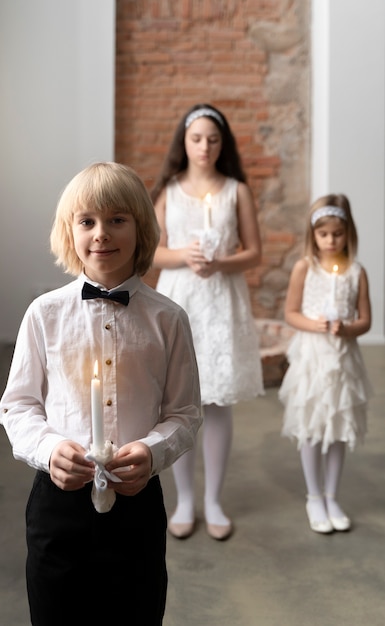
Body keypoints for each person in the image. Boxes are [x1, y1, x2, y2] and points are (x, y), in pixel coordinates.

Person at [0, 162, 202, 625]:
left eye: (117, 219)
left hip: (138, 505)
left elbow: (186, 412)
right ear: (69, 232)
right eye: (86, 221)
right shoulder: (44, 314)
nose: (101, 234)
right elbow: (18, 404)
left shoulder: (168, 319)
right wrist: (50, 449)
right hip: (58, 504)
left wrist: (152, 451)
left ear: (141, 227)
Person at [151, 103, 264, 541]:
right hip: (180, 298)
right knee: (179, 401)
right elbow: (151, 252)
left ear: (223, 144)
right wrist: (184, 256)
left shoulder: (237, 191)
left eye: (213, 140)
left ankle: (214, 499)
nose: (205, 147)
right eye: (197, 138)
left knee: (216, 402)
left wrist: (221, 262)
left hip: (221, 299)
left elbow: (254, 252)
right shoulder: (168, 190)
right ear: (184, 140)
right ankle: (185, 501)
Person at [279, 193, 373, 534]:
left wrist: (347, 328)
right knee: (312, 426)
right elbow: (291, 313)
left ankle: (333, 495)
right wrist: (317, 324)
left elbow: (366, 320)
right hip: (313, 358)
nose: (331, 241)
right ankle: (314, 496)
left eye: (337, 233)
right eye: (323, 234)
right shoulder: (305, 267)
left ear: (348, 233)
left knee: (337, 428)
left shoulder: (357, 272)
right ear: (313, 235)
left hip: (343, 359)